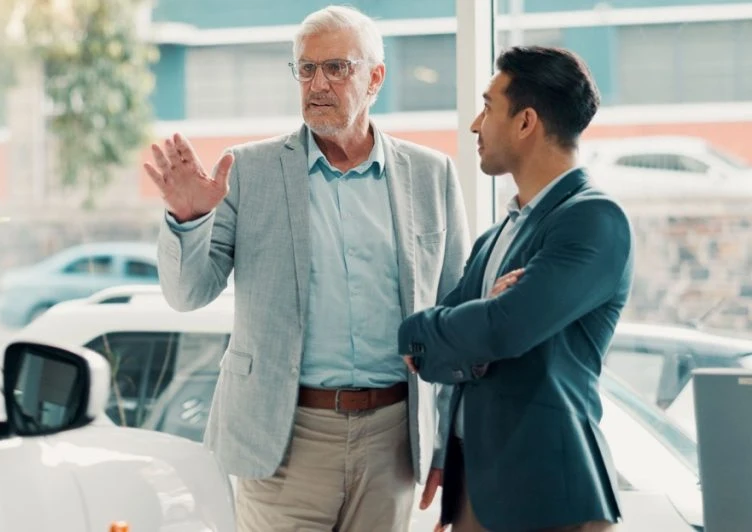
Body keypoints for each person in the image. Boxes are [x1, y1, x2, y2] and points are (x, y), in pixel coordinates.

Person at [142, 5, 470, 531]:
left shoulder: (432, 175)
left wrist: (451, 445)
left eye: (336, 68)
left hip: (394, 441)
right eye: (306, 68)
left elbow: (458, 322)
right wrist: (188, 219)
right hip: (282, 440)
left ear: (375, 78)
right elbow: (188, 294)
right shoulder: (247, 171)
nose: (317, 83)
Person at [399, 45, 633, 532]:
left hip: (550, 495)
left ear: (526, 122)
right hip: (478, 494)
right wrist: (460, 327)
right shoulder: (497, 236)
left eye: (487, 106)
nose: (474, 125)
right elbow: (430, 354)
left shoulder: (592, 219)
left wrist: (453, 328)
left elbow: (504, 331)